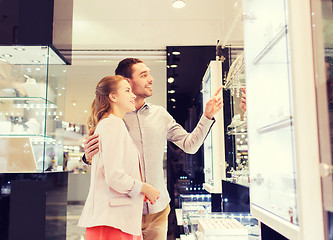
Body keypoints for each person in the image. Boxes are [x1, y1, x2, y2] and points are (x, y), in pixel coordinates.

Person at [82, 58, 223, 240]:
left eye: (149, 73)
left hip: (158, 210)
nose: (151, 79)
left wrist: (207, 116)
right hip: (123, 211)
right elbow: (102, 171)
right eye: (143, 75)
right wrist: (87, 158)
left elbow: (190, 145)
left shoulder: (160, 114)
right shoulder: (111, 120)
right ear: (126, 81)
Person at [78, 75, 160, 240]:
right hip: (114, 222)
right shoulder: (112, 124)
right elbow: (114, 176)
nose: (133, 95)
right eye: (127, 90)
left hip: (115, 220)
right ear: (113, 96)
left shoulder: (110, 124)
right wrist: (145, 188)